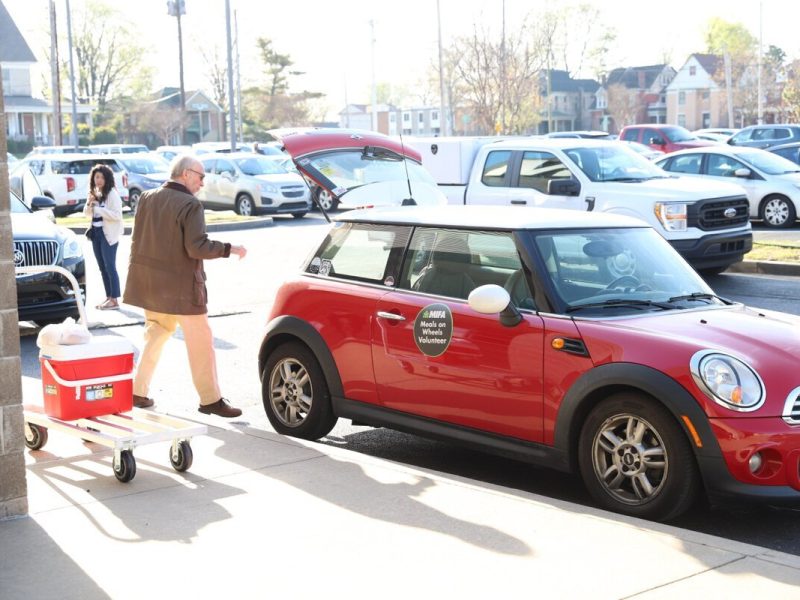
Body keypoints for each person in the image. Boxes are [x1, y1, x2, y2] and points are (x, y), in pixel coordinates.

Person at [123, 155, 247, 417]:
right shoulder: (190, 204)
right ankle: (210, 399)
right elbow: (196, 247)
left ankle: (137, 391)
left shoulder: (146, 198)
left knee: (155, 335)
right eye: (201, 176)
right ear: (185, 174)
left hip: (150, 285)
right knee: (201, 343)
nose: (202, 182)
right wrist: (229, 249)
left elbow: (138, 241)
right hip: (181, 289)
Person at [83, 164, 123, 310]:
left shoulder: (112, 194)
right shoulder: (95, 193)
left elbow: (117, 216)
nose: (99, 180)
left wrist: (98, 208)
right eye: (96, 177)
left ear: (107, 179)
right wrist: (89, 203)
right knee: (102, 267)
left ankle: (115, 299)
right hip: (96, 234)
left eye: (102, 177)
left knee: (110, 266)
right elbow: (87, 215)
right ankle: (109, 297)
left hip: (109, 235)